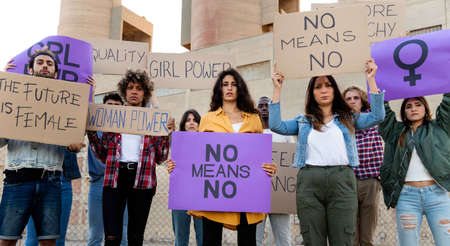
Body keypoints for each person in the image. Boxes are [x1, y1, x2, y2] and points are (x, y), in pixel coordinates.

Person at [269, 59, 385, 246]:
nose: (323, 90)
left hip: (342, 180)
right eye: (318, 87)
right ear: (312, 93)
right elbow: (276, 125)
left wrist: (371, 79)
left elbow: (378, 116)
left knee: (343, 237)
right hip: (309, 181)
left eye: (328, 85)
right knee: (313, 238)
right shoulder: (303, 121)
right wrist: (277, 89)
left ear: (334, 90)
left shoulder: (349, 118)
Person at [0, 48, 86, 246]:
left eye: (49, 63)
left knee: (48, 242)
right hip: (17, 179)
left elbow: (74, 140)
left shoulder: (67, 105)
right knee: (7, 239)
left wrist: (74, 147)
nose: (44, 66)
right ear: (30, 70)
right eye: (40, 62)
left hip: (50, 180)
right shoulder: (13, 100)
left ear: (56, 73)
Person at [184, 68, 277, 246]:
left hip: (247, 190)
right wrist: (180, 166)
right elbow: (198, 155)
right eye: (225, 84)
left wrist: (269, 166)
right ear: (219, 88)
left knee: (248, 240)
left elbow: (260, 154)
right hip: (215, 191)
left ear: (239, 88)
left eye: (234, 84)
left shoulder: (253, 119)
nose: (229, 88)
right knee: (211, 240)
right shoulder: (207, 119)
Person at [87, 69, 174, 246]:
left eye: (139, 88)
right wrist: (91, 132)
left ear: (145, 93)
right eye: (131, 87)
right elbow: (102, 154)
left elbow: (160, 157)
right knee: (112, 237)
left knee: (135, 237)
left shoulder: (154, 121)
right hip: (114, 178)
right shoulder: (114, 119)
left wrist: (166, 134)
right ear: (124, 91)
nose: (134, 91)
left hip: (142, 180)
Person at [379, 94, 450, 246]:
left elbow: (448, 104)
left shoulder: (440, 127)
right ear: (404, 112)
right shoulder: (395, 132)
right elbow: (381, 109)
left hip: (438, 196)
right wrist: (373, 81)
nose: (413, 109)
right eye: (408, 106)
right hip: (407, 198)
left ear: (425, 108)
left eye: (418, 104)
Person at [343, 86, 384, 246]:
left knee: (367, 237)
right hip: (348, 183)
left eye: (356, 98)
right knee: (350, 235)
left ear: (362, 101)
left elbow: (379, 103)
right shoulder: (341, 125)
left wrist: (371, 79)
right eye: (348, 98)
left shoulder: (374, 120)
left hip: (370, 182)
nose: (352, 101)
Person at [87, 92, 128, 246]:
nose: (113, 109)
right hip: (98, 182)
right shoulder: (95, 126)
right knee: (95, 234)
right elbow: (85, 111)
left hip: (121, 183)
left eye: (117, 106)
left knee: (122, 234)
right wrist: (91, 91)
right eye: (109, 106)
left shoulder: (127, 131)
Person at [255, 96, 294, 246]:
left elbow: (291, 160)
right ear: (256, 109)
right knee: (254, 239)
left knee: (283, 238)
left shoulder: (284, 132)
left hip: (280, 194)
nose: (264, 108)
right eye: (261, 105)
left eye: (268, 105)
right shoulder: (252, 133)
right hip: (256, 196)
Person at [25, 150, 81, 246]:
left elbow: (77, 138)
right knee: (32, 240)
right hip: (35, 179)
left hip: (62, 181)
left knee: (58, 240)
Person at [167, 109, 203, 246]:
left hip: (202, 195)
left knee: (203, 237)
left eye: (195, 120)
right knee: (180, 237)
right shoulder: (176, 142)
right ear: (183, 125)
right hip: (180, 195)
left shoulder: (209, 144)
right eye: (188, 120)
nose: (192, 123)